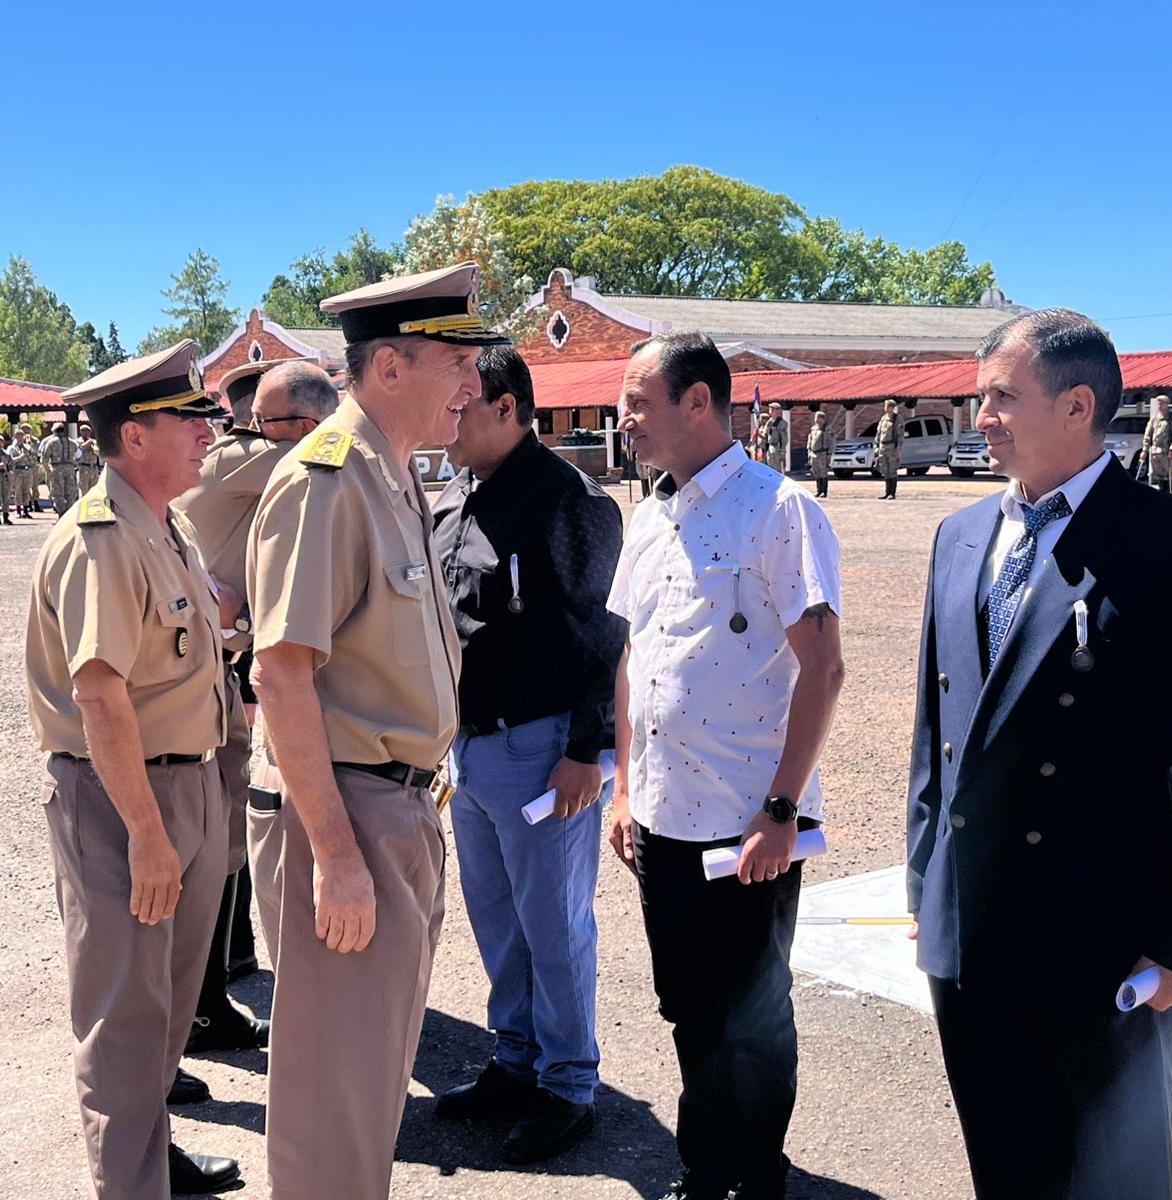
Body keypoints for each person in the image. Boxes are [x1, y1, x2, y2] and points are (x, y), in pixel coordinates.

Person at [906, 309, 1172, 1200]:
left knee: (1110, 1175)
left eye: (1002, 397)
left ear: (1078, 407)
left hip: (1100, 934)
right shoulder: (961, 536)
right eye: (977, 396)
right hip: (971, 922)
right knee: (1006, 1159)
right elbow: (936, 731)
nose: (980, 416)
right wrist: (925, 882)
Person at [246, 261, 499, 1200]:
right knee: (335, 1100)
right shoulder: (325, 480)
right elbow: (281, 673)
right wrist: (336, 854)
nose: (474, 384)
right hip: (348, 813)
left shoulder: (390, 476)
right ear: (389, 367)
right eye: (457, 360)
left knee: (373, 1078)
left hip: (395, 811)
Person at [608, 332, 844, 1200]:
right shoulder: (649, 515)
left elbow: (822, 665)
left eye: (639, 401)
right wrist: (626, 788)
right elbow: (633, 657)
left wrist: (781, 811)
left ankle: (757, 1176)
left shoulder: (779, 510)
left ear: (698, 401)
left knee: (752, 1015)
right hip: (665, 813)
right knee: (687, 1004)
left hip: (750, 821)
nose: (623, 419)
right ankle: (708, 1169)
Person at [25, 338, 242, 1199]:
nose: (208, 435)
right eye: (190, 420)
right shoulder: (100, 540)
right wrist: (148, 836)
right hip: (124, 802)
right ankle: (130, 1185)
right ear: (137, 436)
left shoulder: (167, 525)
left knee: (168, 1004)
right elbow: (101, 700)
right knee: (122, 1019)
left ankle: (154, 1159)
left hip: (186, 785)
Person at [430, 345, 625, 1163]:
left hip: (544, 748)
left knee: (554, 925)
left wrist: (587, 748)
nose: (448, 424)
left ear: (508, 408)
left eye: (461, 408)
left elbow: (603, 631)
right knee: (498, 920)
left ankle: (569, 1084)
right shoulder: (454, 495)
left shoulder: (568, 500)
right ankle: (516, 1061)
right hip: (469, 751)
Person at [174, 358, 338, 1069]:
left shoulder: (246, 463)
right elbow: (332, 461)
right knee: (202, 849)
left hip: (223, 666)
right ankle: (191, 1014)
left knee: (221, 847)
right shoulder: (244, 459)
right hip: (201, 677)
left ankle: (211, 997)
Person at [1140, 395, 1172, 494]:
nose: (1159, 405)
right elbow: (1148, 435)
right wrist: (1145, 449)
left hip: (1167, 453)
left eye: (1161, 403)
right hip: (1156, 453)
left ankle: (1169, 496)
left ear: (1167, 404)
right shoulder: (1154, 419)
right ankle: (1162, 495)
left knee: (1168, 476)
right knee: (1158, 477)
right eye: (1158, 403)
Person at [41, 421, 81, 515]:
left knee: (58, 493)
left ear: (54, 431)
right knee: (70, 492)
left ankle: (61, 514)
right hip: (70, 469)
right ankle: (70, 514)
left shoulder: (50, 442)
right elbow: (79, 456)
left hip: (56, 469)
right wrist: (74, 465)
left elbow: (44, 459)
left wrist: (48, 470)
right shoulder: (72, 442)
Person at [875, 397, 904, 499]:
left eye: (887, 406)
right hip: (883, 446)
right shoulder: (883, 418)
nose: (886, 408)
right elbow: (878, 434)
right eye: (885, 406)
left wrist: (898, 449)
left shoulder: (897, 419)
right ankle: (887, 492)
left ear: (892, 408)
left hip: (892, 447)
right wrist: (876, 447)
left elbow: (900, 435)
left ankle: (892, 493)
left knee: (892, 470)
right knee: (885, 470)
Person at [10, 424, 41, 517]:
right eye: (18, 436)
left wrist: (28, 455)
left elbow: (34, 460)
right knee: (17, 491)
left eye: (21, 435)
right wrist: (21, 456)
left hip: (28, 471)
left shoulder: (28, 447)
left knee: (26, 491)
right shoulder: (12, 448)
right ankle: (19, 510)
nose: (20, 438)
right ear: (15, 437)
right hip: (17, 471)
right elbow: (12, 460)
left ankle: (26, 510)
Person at [807, 409, 834, 497]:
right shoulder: (813, 428)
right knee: (816, 471)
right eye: (815, 417)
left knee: (823, 472)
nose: (816, 419)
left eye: (818, 418)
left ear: (823, 419)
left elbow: (831, 442)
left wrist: (829, 453)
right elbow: (810, 440)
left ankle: (824, 491)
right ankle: (818, 490)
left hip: (823, 453)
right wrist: (809, 450)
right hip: (814, 453)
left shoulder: (827, 429)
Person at [762, 402, 790, 473]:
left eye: (772, 409)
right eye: (770, 409)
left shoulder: (782, 423)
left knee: (776, 469)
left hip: (776, 448)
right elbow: (765, 434)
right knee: (769, 468)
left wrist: (782, 451)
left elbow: (784, 438)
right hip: (769, 447)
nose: (770, 411)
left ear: (777, 411)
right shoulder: (769, 422)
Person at [76, 423, 103, 494]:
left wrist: (94, 446)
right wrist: (86, 444)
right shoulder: (77, 441)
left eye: (88, 431)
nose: (86, 433)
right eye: (84, 431)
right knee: (84, 490)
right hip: (84, 467)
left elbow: (98, 453)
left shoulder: (93, 441)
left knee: (94, 490)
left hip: (93, 468)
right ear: (80, 432)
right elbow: (77, 451)